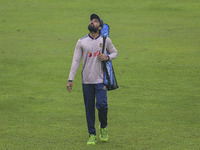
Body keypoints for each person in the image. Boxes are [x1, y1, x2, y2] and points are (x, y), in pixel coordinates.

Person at [66, 14, 118, 145]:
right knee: (89, 109)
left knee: (102, 105)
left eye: (95, 21)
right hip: (87, 81)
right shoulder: (81, 42)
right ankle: (92, 135)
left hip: (101, 80)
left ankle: (104, 127)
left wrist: (107, 57)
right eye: (91, 21)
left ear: (100, 27)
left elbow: (114, 52)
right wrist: (70, 79)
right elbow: (76, 61)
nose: (92, 22)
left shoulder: (105, 40)